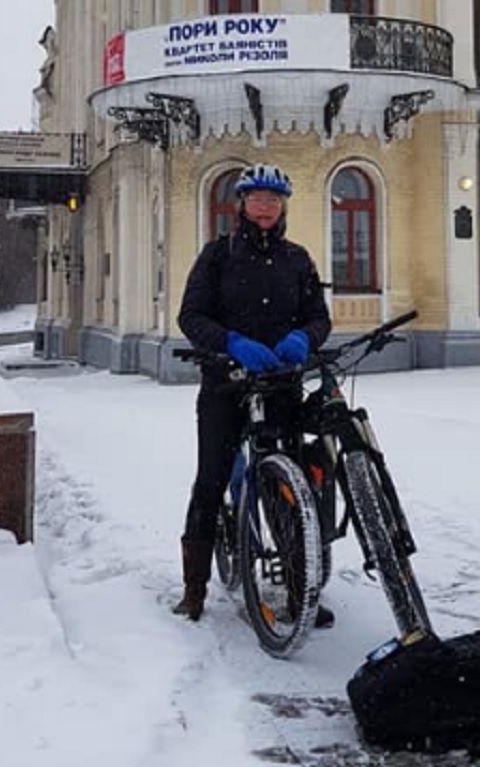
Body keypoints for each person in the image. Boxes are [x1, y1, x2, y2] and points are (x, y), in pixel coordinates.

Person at [175, 163, 333, 625]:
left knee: (291, 484)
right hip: (226, 384)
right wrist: (230, 343)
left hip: (280, 384)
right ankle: (194, 589)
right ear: (241, 205)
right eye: (257, 199)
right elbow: (191, 316)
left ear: (283, 207)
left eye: (274, 200)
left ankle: (301, 590)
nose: (265, 207)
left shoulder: (297, 259)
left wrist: (304, 337)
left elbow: (319, 317)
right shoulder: (217, 256)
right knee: (211, 479)